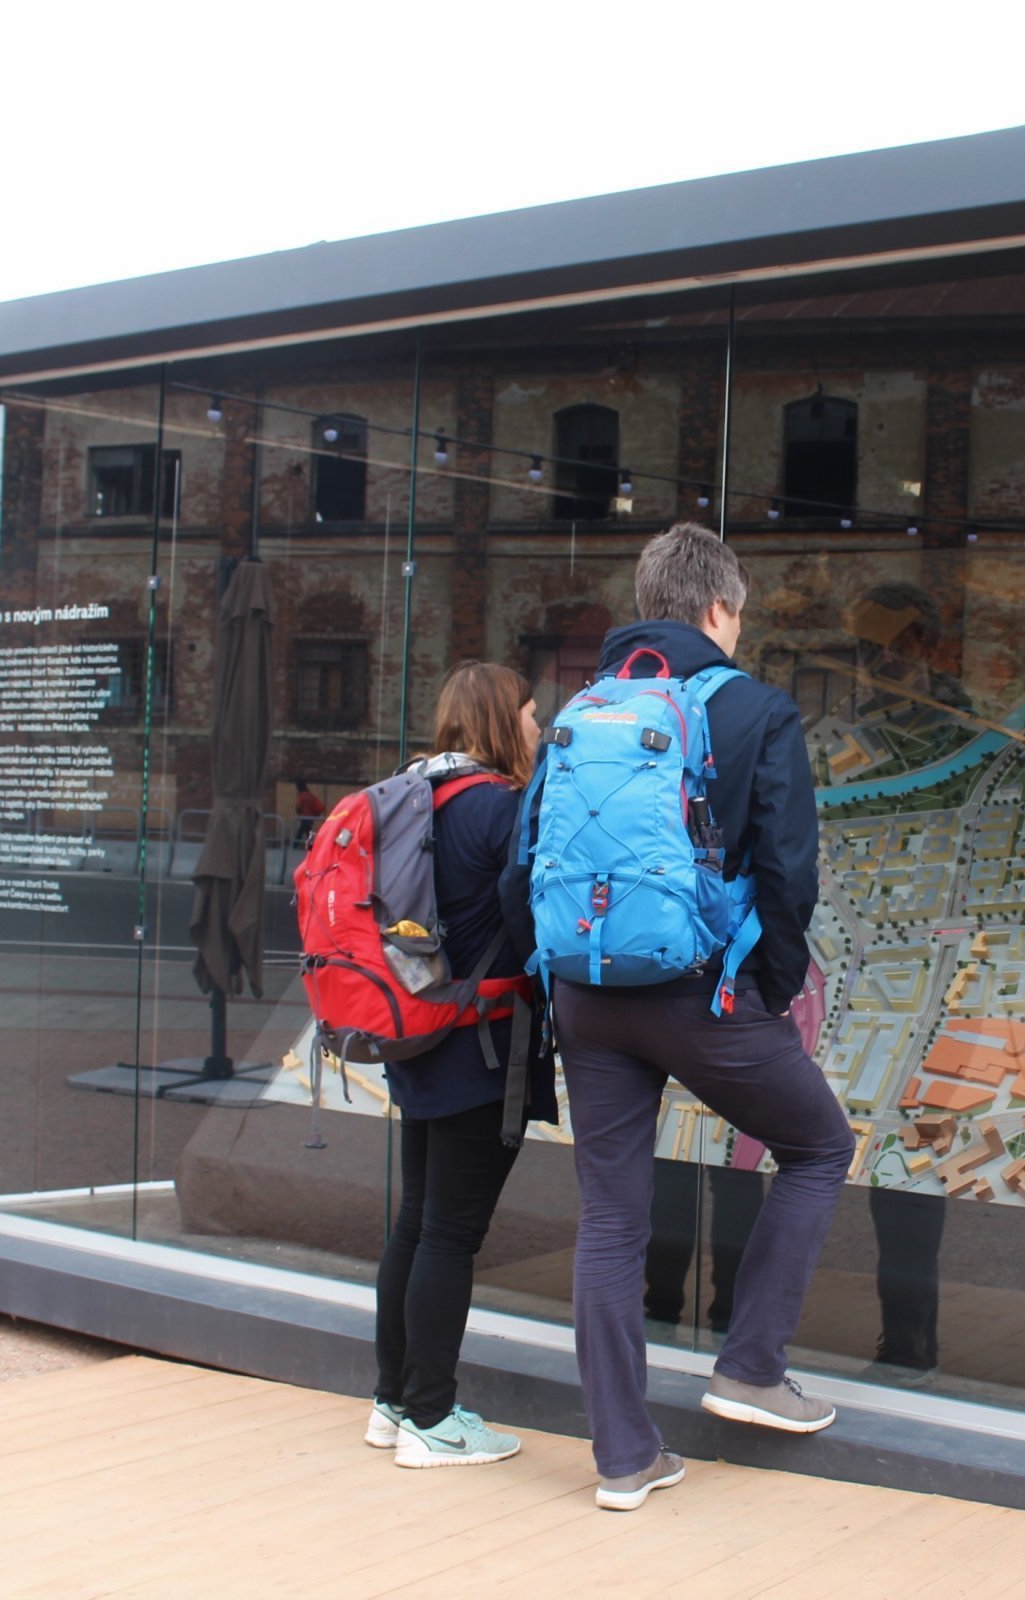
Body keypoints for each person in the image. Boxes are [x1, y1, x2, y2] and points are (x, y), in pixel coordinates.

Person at [511, 523, 855, 1512]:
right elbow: (790, 874)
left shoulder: (580, 708)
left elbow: (525, 859)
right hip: (699, 994)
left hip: (586, 993)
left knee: (611, 1220)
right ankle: (750, 1365)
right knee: (820, 1147)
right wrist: (769, 990)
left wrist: (560, 986)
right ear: (718, 608)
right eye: (739, 615)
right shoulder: (755, 710)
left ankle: (624, 1458)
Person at [364, 662, 555, 1469]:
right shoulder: (500, 809)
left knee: (417, 1220)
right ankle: (433, 1422)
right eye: (531, 715)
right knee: (450, 1232)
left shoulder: (411, 796)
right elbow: (533, 919)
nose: (540, 729)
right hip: (481, 1043)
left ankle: (395, 1400)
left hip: (419, 1032)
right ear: (501, 722)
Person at [292, 780, 325, 847]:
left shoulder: (301, 795)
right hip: (310, 817)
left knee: (301, 831)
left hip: (304, 816)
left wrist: (298, 812)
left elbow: (298, 806)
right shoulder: (310, 795)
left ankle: (295, 845)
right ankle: (310, 845)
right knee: (307, 831)